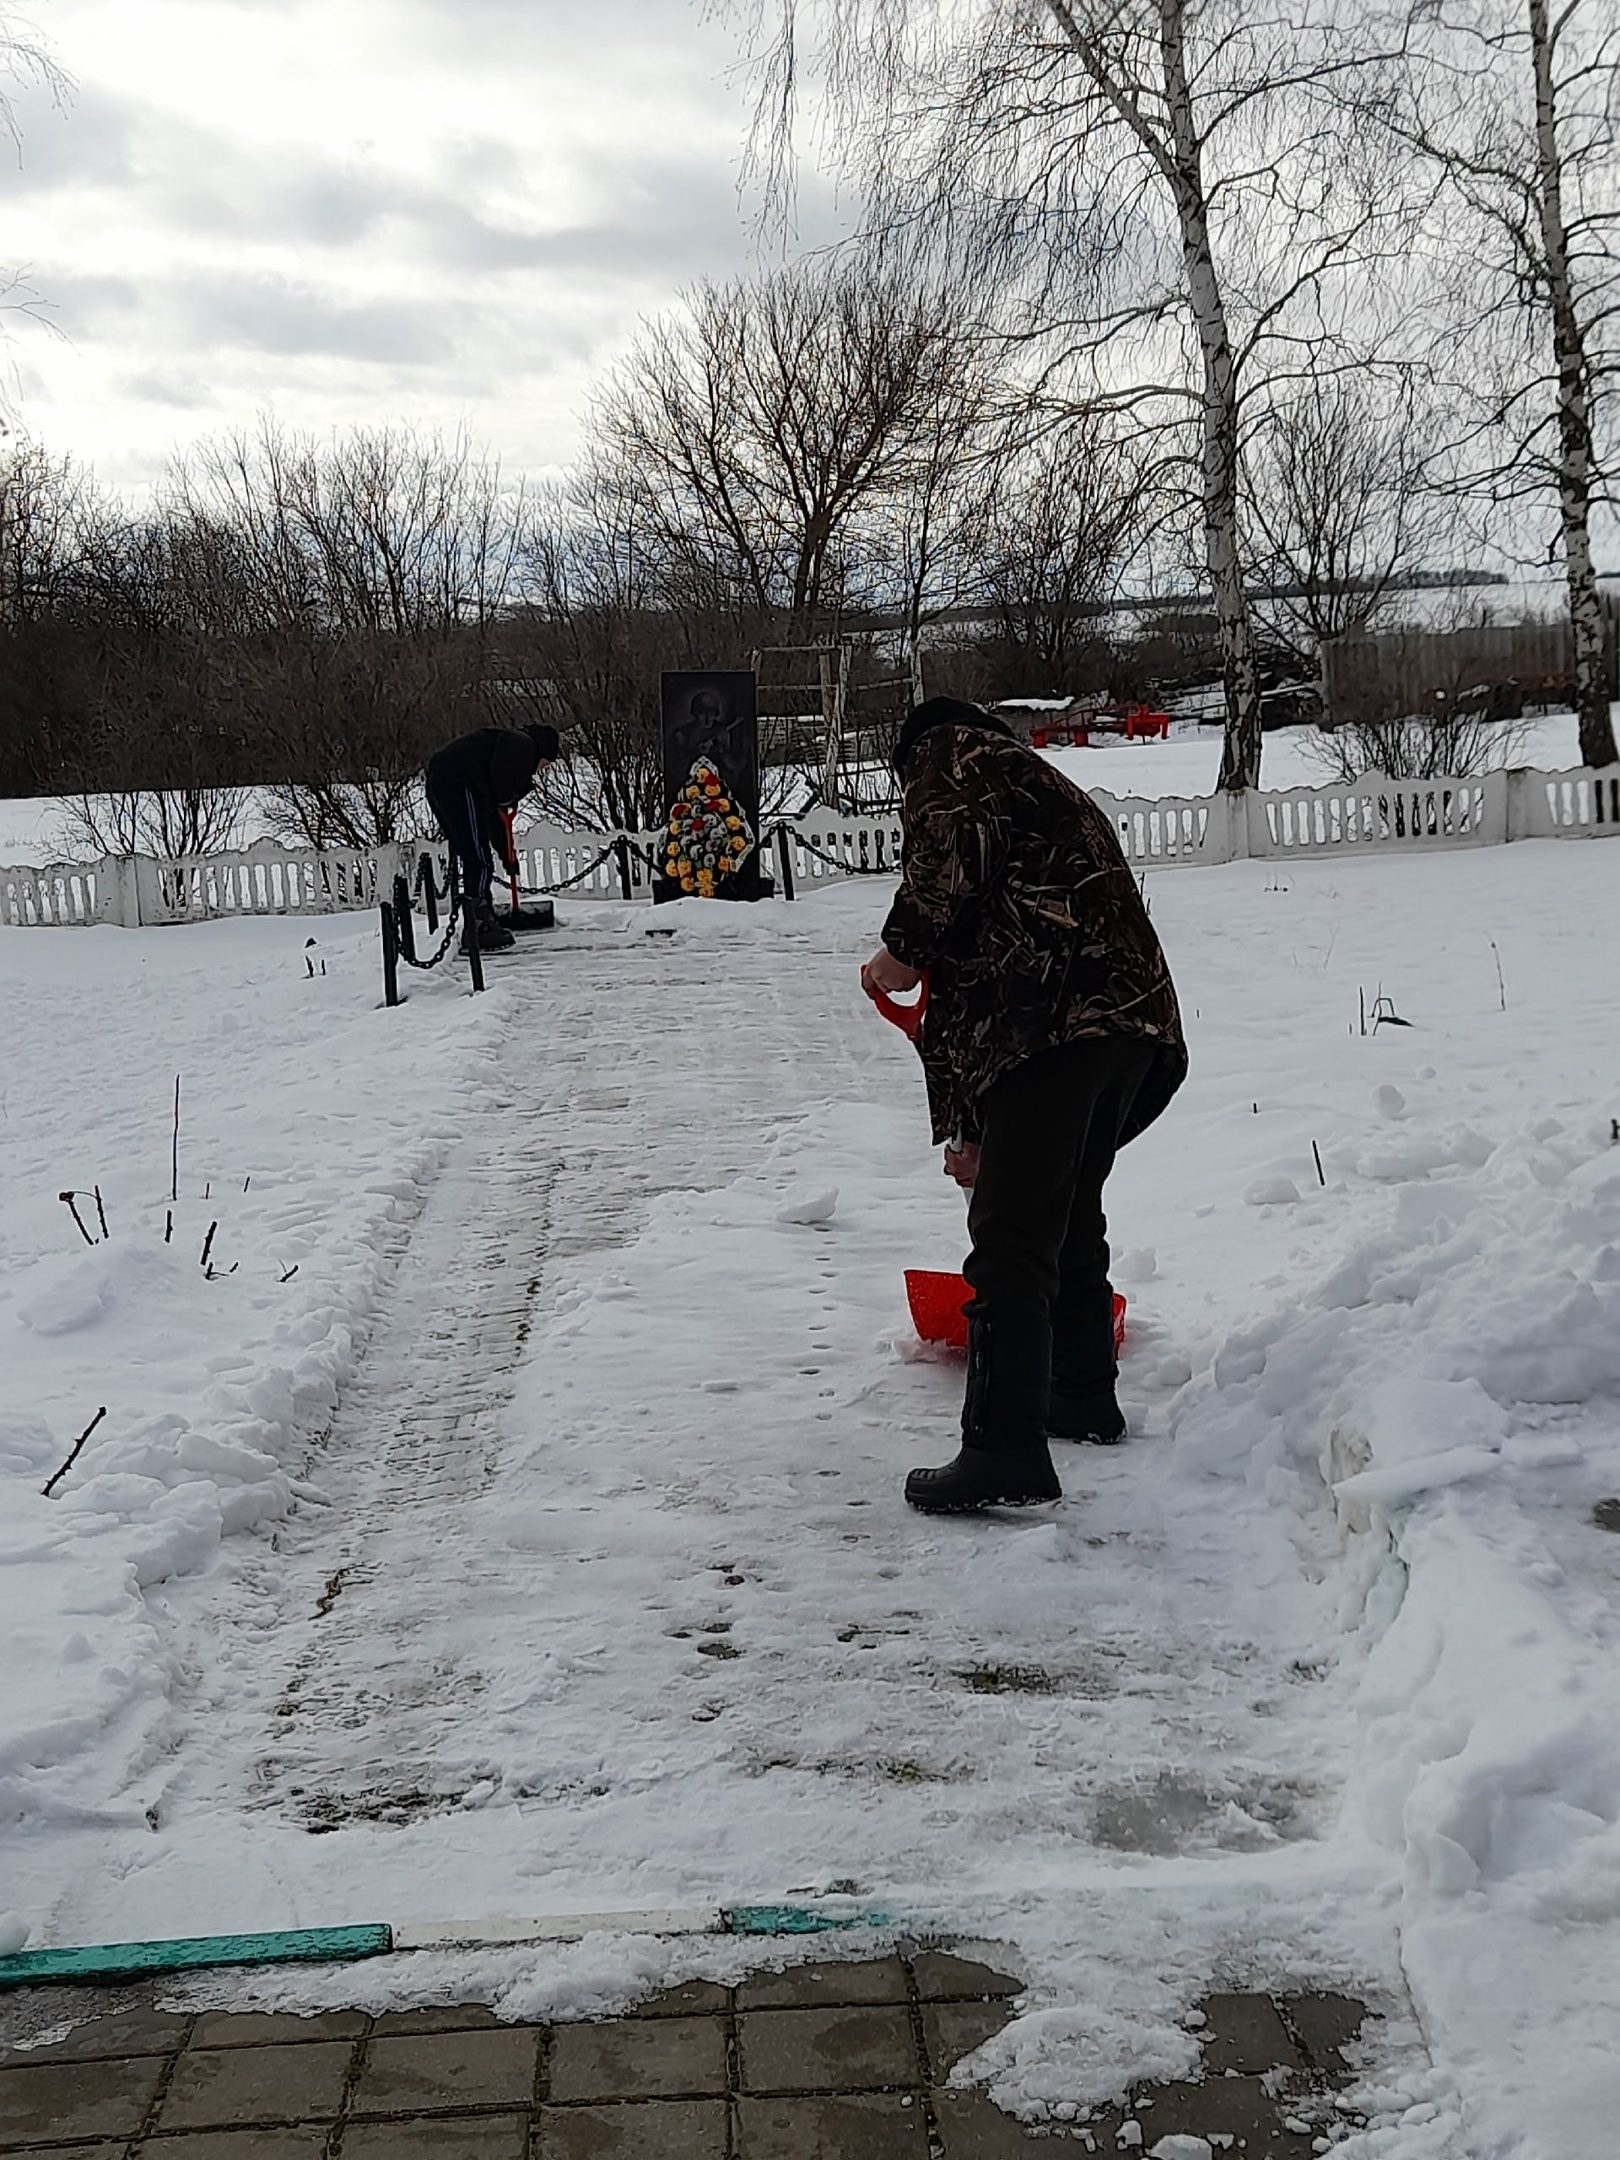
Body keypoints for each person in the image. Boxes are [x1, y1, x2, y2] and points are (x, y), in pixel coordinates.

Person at [861, 697, 1187, 1515]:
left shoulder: (954, 755)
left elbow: (949, 854)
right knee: (1067, 1210)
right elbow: (973, 995)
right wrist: (975, 1130)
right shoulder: (1032, 783)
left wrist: (901, 948)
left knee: (1009, 1238)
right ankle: (1080, 1393)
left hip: (1054, 1026)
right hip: (1126, 1027)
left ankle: (1004, 1450)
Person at [424, 722, 560, 950]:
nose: (542, 769)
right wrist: (517, 792)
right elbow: (501, 793)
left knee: (473, 851)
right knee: (477, 858)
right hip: (459, 782)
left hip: (443, 781)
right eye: (546, 763)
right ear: (543, 751)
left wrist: (507, 855)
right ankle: (477, 926)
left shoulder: (510, 745)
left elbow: (494, 814)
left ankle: (481, 916)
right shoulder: (522, 745)